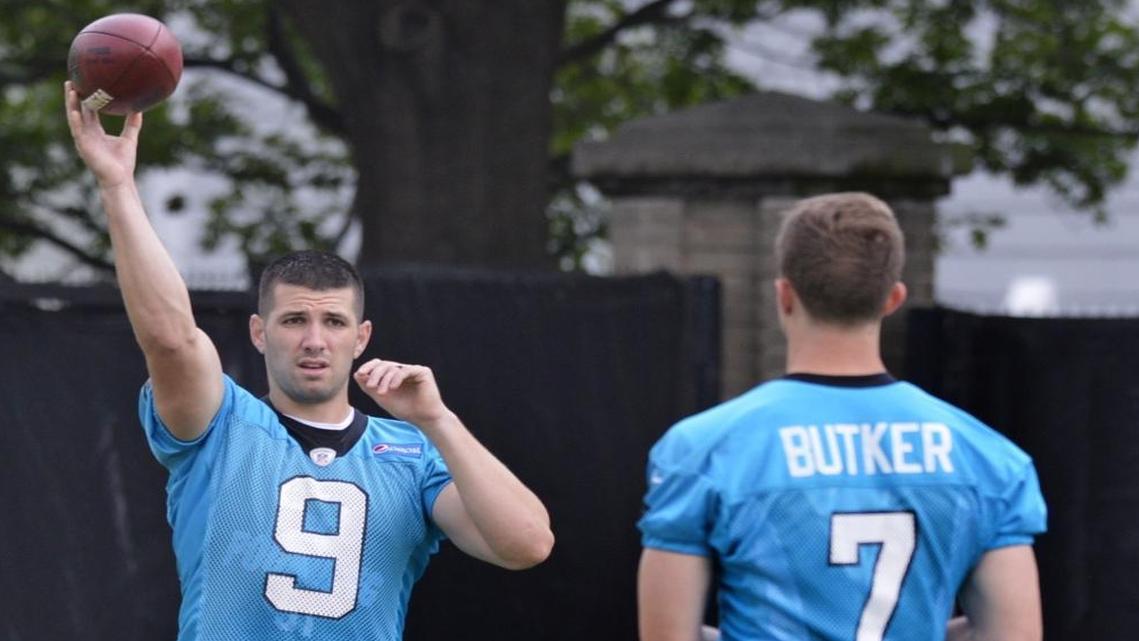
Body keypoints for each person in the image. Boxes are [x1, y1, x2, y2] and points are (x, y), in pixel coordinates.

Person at [64, 82, 553, 640]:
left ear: (361, 337)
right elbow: (173, 340)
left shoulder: (413, 453)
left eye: (334, 322)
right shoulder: (221, 426)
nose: (315, 340)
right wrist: (117, 185)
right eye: (295, 321)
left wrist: (438, 421)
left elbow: (527, 545)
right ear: (259, 333)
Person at [637, 192, 1046, 641]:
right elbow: (1014, 633)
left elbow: (667, 636)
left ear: (784, 295)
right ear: (892, 299)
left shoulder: (702, 448)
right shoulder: (990, 459)